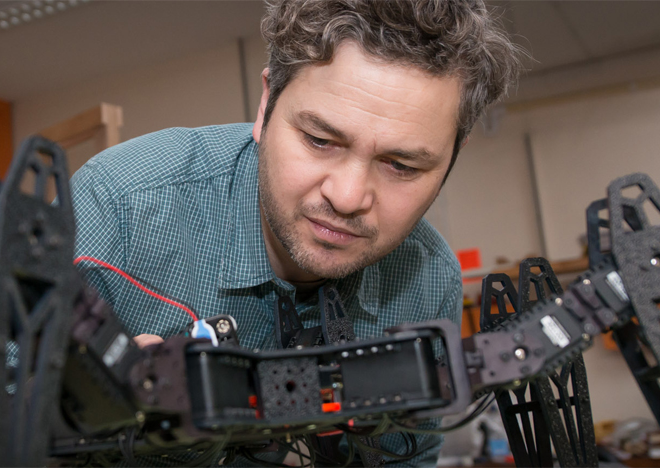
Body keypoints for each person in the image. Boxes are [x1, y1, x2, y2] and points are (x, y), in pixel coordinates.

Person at [70, 0, 521, 465]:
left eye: (401, 165)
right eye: (320, 140)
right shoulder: (120, 207)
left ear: (452, 157)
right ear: (266, 105)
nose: (347, 196)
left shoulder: (428, 281)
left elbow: (402, 456)